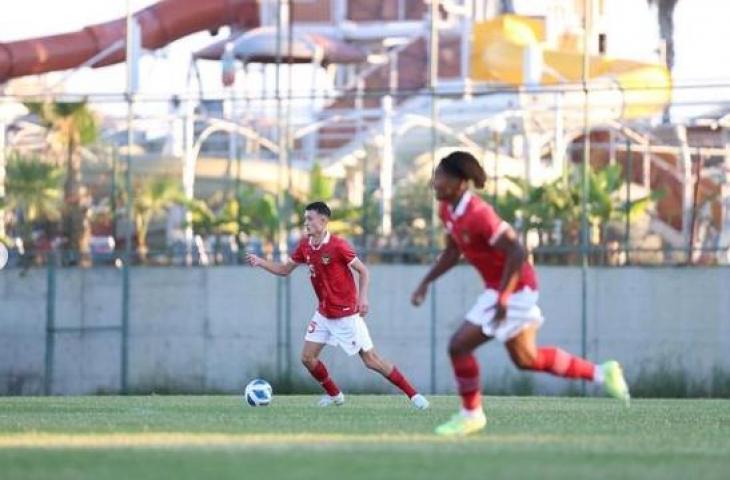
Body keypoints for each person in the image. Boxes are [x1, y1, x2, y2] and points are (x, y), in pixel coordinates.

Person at [411, 151, 629, 436]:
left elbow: (517, 251)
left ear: (460, 182)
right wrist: (426, 281)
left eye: (440, 176)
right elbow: (453, 251)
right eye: (435, 175)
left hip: (516, 288)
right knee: (527, 359)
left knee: (459, 346)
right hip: (500, 289)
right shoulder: (448, 211)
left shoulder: (479, 214)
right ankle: (603, 372)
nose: (434, 182)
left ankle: (471, 414)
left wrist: (503, 296)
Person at [247, 201, 429, 410]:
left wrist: (363, 299)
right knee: (307, 358)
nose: (306, 223)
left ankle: (414, 396)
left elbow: (363, 271)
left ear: (323, 220)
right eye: (305, 218)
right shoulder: (305, 246)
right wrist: (261, 262)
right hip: (324, 314)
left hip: (345, 315)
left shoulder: (338, 246)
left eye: (310, 218)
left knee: (371, 360)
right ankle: (335, 395)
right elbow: (284, 269)